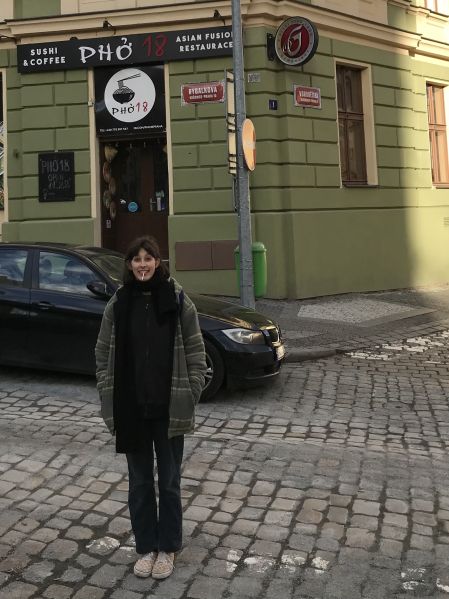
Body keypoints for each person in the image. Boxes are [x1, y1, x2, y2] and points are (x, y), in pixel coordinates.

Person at [95, 236, 207, 580]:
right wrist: (105, 389)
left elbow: (196, 351)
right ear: (130, 264)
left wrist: (191, 392)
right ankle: (146, 547)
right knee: (140, 483)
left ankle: (168, 547)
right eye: (136, 259)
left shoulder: (177, 299)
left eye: (148, 258)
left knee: (169, 482)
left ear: (158, 262)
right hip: (131, 407)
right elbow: (102, 352)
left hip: (168, 406)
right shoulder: (119, 302)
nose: (142, 264)